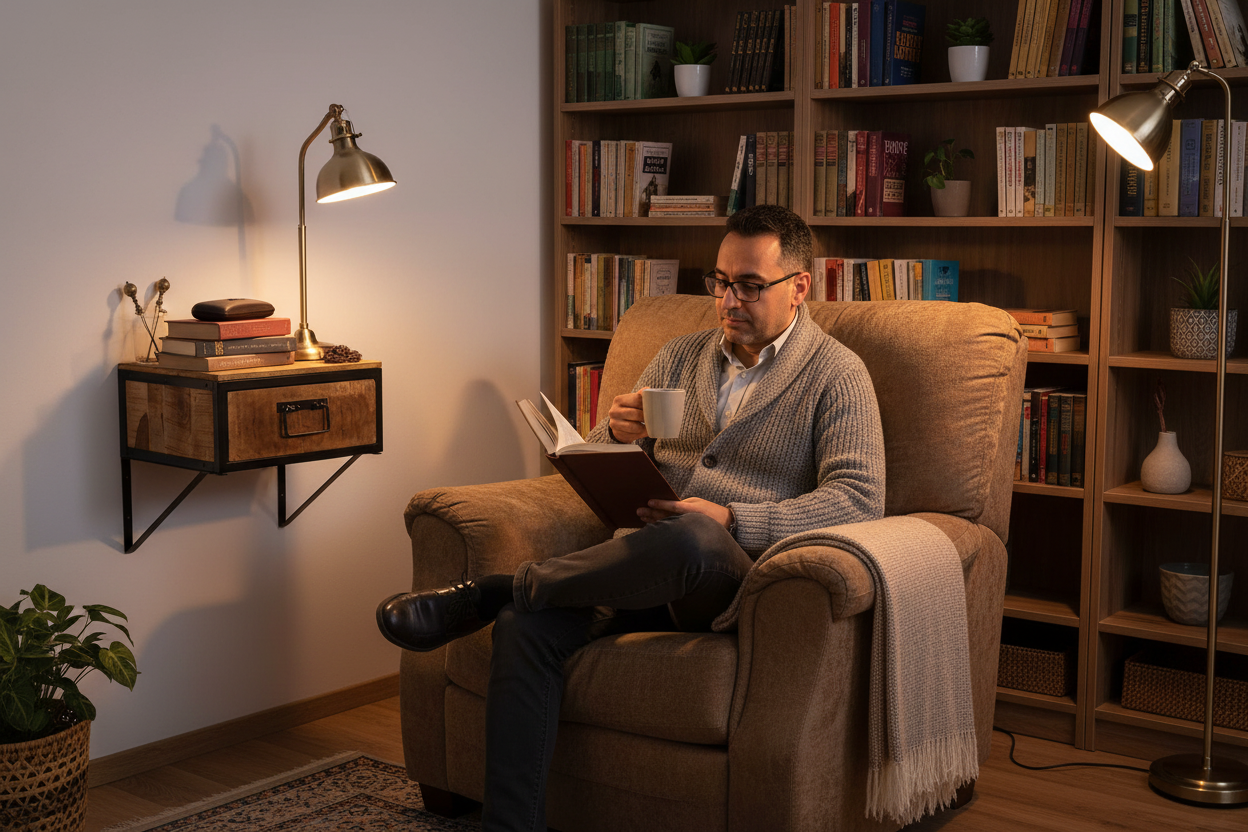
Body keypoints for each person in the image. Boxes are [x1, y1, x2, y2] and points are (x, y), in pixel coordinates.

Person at [376, 204, 885, 832]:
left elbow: (859, 498)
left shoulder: (838, 375)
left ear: (799, 286)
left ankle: (492, 588)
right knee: (522, 626)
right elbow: (600, 473)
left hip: (730, 580)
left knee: (696, 532)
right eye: (720, 281)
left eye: (750, 285)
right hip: (634, 566)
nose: (729, 299)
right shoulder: (677, 358)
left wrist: (733, 517)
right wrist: (614, 436)